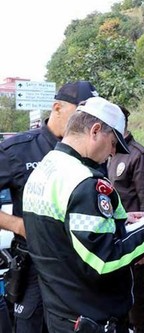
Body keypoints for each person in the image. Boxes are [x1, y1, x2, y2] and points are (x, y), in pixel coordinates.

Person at [22, 96, 144, 333]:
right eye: (114, 143)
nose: (113, 153)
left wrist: (117, 219)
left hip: (62, 311)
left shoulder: (47, 167)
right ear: (95, 131)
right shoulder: (84, 183)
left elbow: (67, 228)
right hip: (91, 318)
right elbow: (103, 260)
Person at [0, 80, 98, 333]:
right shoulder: (18, 150)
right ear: (57, 108)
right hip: (35, 266)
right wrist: (19, 225)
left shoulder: (92, 150)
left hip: (79, 269)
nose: (87, 121)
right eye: (81, 112)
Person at [108, 105, 144, 333]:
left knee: (136, 299)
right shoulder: (110, 154)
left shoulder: (138, 155)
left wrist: (143, 248)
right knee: (119, 300)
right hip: (115, 240)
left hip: (134, 240)